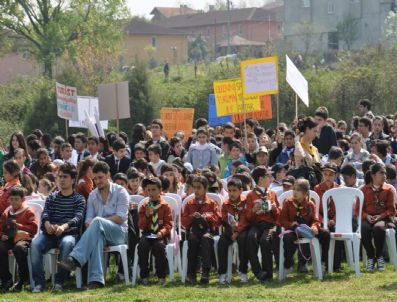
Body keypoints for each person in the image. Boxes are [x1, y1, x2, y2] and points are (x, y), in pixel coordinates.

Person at [58, 161, 129, 288]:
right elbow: (88, 220)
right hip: (100, 233)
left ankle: (74, 258)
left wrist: (97, 221)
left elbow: (120, 218)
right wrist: (91, 223)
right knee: (97, 235)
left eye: (100, 177)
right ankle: (96, 280)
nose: (98, 181)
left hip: (119, 233)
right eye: (95, 178)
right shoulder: (92, 195)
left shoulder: (121, 191)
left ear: (108, 175)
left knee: (97, 222)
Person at [30, 163, 85, 292]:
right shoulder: (52, 197)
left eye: (65, 177)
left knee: (67, 243)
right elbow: (45, 213)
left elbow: (78, 218)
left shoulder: (79, 199)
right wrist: (47, 224)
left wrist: (63, 227)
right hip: (49, 234)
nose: (61, 179)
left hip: (69, 234)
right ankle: (39, 283)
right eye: (60, 176)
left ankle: (59, 282)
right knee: (34, 244)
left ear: (72, 180)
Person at [279, 179, 330, 274]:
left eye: (298, 190)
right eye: (294, 189)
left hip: (307, 229)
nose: (295, 192)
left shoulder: (310, 204)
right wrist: (291, 224)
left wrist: (315, 226)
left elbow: (315, 219)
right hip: (293, 230)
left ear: (306, 193)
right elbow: (282, 220)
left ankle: (323, 262)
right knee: (288, 238)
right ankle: (288, 263)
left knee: (326, 234)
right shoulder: (288, 202)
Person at [181, 176, 221, 284]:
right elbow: (184, 223)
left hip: (208, 231)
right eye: (194, 187)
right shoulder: (189, 204)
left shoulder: (212, 203)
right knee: (192, 240)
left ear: (206, 189)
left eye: (199, 188)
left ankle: (205, 272)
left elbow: (218, 221)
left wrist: (206, 216)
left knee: (205, 239)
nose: (196, 190)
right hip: (194, 231)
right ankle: (192, 273)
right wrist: (191, 217)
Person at [358, 163, 396, 272]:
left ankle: (379, 256)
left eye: (385, 173)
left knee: (378, 228)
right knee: (363, 228)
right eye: (381, 173)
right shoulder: (363, 190)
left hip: (384, 218)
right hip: (368, 218)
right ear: (373, 176)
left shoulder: (389, 190)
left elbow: (392, 210)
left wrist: (381, 216)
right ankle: (371, 256)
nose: (384, 175)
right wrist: (367, 216)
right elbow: (358, 210)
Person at [245, 166, 280, 282]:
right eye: (268, 176)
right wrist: (254, 210)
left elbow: (278, 216)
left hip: (269, 224)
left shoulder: (272, 194)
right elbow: (247, 217)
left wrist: (275, 209)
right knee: (250, 237)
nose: (271, 178)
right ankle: (258, 271)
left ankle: (268, 273)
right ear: (260, 179)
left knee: (265, 240)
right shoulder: (251, 195)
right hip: (256, 224)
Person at [0, 186, 38, 292]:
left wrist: (19, 226)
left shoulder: (28, 211)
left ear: (23, 199)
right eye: (11, 199)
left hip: (23, 238)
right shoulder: (7, 212)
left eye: (16, 199)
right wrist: (1, 235)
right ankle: (6, 279)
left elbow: (34, 229)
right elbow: (1, 226)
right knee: (1, 248)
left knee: (19, 249)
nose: (13, 202)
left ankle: (23, 279)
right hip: (9, 238)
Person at [138, 178, 173, 285]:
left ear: (160, 190)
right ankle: (144, 275)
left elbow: (169, 224)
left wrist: (161, 232)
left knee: (159, 247)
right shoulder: (144, 206)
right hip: (148, 233)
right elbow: (141, 225)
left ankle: (161, 276)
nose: (151, 193)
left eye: (154, 190)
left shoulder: (165, 205)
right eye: (148, 190)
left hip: (161, 234)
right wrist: (147, 216)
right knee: (142, 245)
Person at [217, 179, 249, 284]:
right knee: (221, 242)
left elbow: (245, 219)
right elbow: (224, 217)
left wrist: (237, 231)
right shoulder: (226, 204)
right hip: (229, 231)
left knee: (243, 240)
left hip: (242, 231)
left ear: (241, 190)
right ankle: (223, 273)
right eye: (229, 190)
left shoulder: (246, 202)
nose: (231, 193)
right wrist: (232, 227)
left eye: (234, 190)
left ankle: (243, 271)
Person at [315, 162, 342, 271]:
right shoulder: (317, 189)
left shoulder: (340, 189)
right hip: (322, 220)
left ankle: (336, 265)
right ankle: (325, 261)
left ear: (335, 176)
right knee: (324, 233)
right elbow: (316, 210)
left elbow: (341, 209)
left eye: (330, 175)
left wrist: (334, 220)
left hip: (335, 220)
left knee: (338, 232)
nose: (327, 177)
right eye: (325, 174)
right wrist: (324, 220)